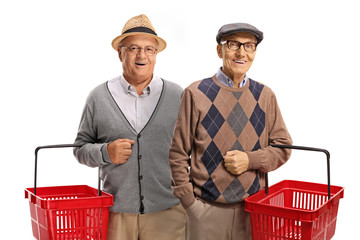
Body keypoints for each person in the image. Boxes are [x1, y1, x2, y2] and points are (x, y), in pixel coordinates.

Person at [168, 22, 292, 239]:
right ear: (219, 50)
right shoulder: (195, 93)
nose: (241, 52)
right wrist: (191, 205)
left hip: (253, 212)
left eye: (249, 45)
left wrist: (250, 160)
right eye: (233, 44)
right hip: (205, 211)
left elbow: (283, 148)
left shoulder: (265, 95)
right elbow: (177, 155)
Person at [73, 14, 186, 240]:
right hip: (115, 214)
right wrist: (106, 152)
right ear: (120, 53)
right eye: (133, 48)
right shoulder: (98, 97)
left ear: (156, 54)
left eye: (149, 49)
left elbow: (193, 149)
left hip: (169, 213)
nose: (142, 55)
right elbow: (80, 149)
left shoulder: (177, 96)